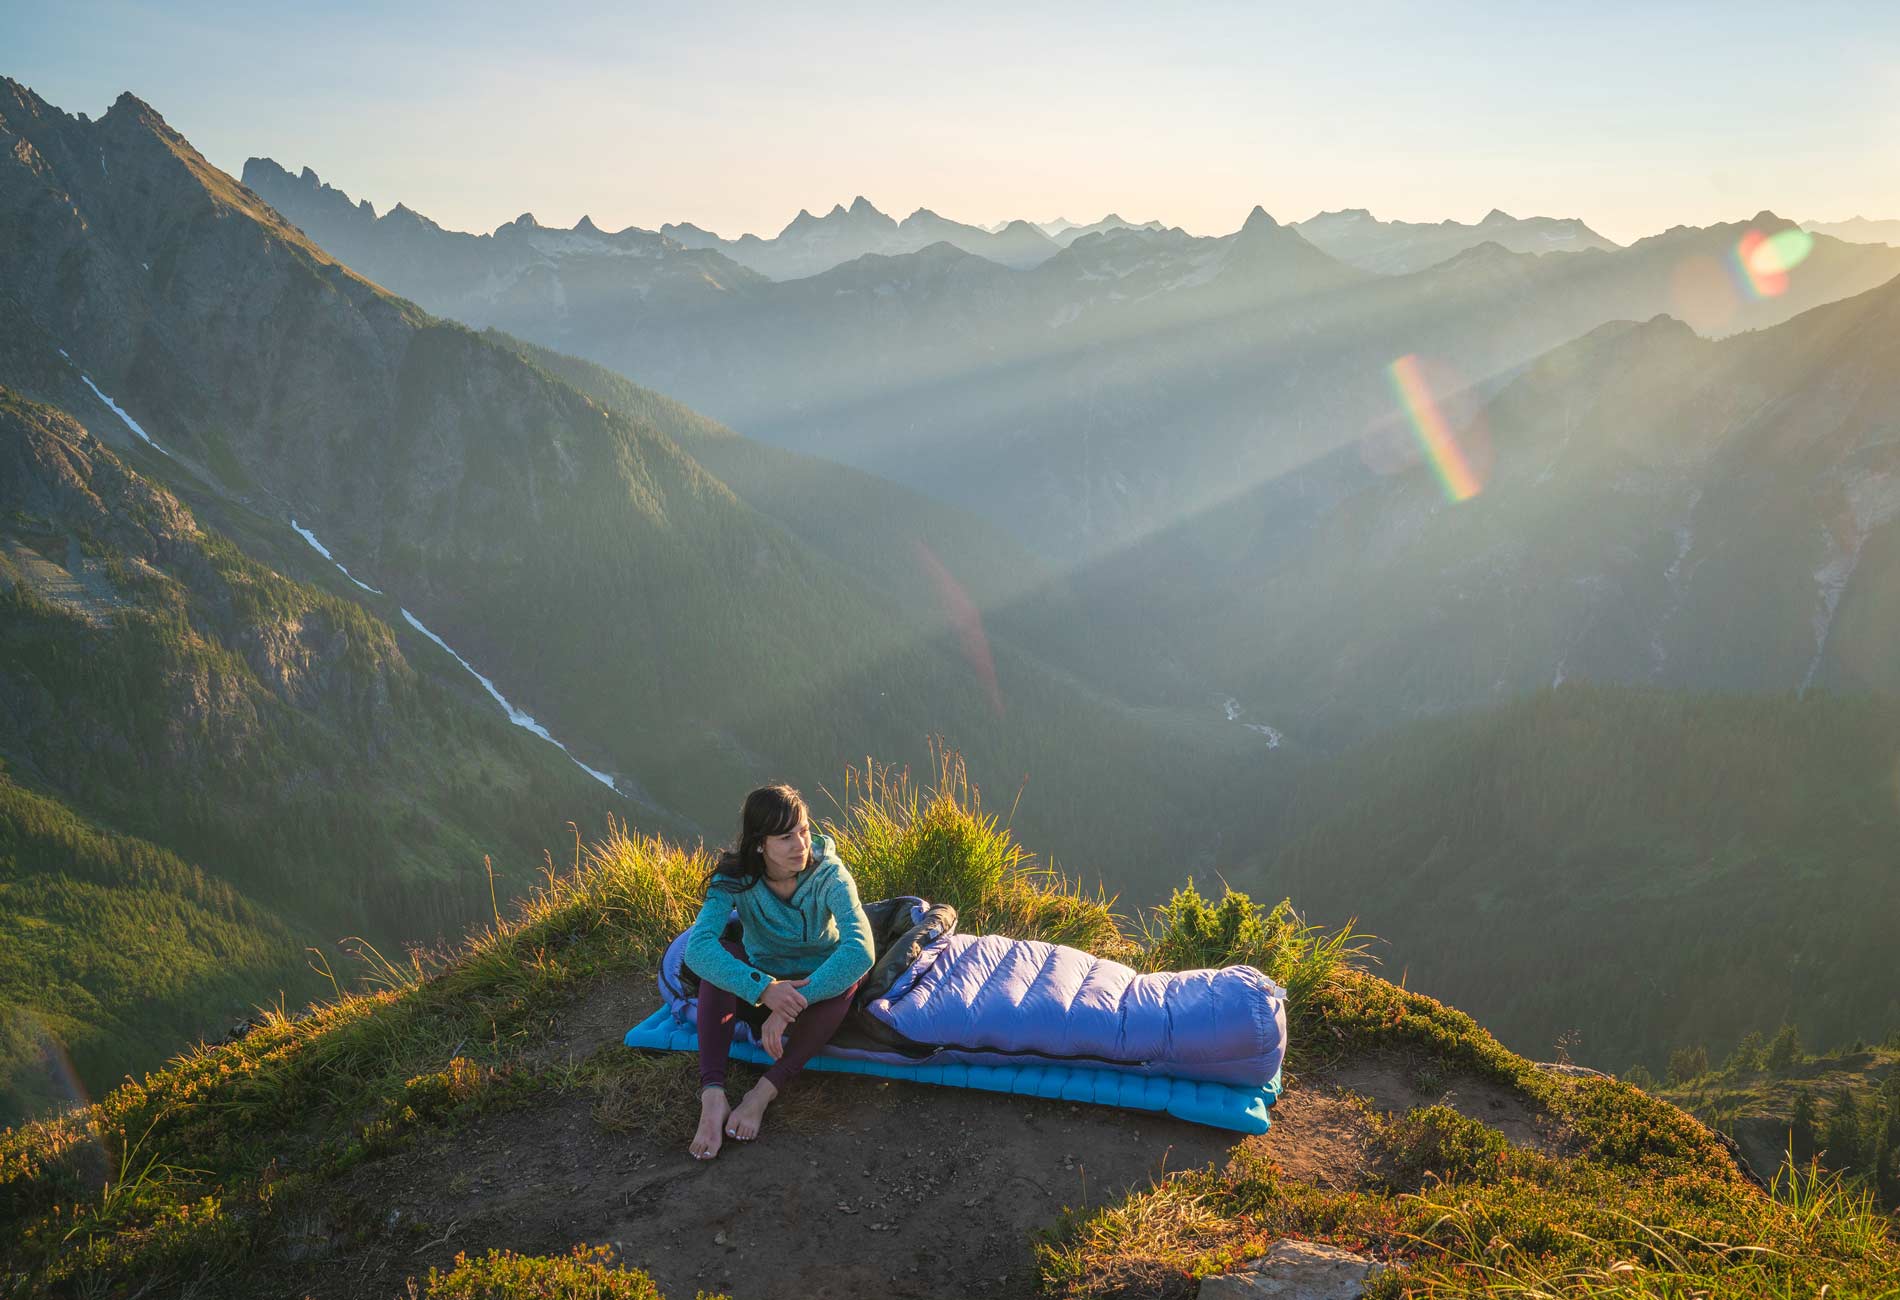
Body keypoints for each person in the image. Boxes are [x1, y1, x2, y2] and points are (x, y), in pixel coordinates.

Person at [685, 783, 874, 1159]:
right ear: (759, 845)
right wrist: (764, 990)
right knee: (719, 958)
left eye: (803, 831)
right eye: (786, 837)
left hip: (819, 985)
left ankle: (765, 1089)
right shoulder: (734, 878)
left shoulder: (829, 874)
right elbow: (698, 948)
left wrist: (793, 1001)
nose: (801, 845)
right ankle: (713, 1096)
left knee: (850, 975)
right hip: (762, 978)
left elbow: (861, 949)